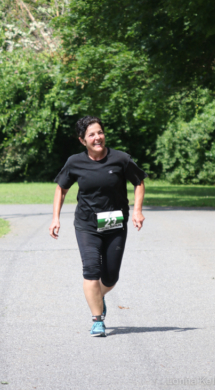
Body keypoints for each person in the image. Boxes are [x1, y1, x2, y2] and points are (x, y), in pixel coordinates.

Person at [49, 115, 147, 337]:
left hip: (115, 222)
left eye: (100, 132)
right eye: (91, 135)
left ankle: (97, 295)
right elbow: (61, 189)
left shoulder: (120, 159)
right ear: (82, 140)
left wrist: (138, 210)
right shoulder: (75, 162)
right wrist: (56, 218)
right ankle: (97, 319)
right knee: (91, 271)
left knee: (110, 277)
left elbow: (139, 182)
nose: (97, 138)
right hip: (86, 224)